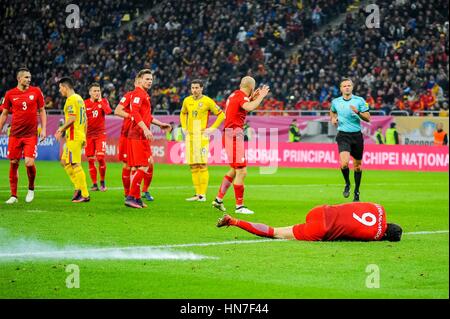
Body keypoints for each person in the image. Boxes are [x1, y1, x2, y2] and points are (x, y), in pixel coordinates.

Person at [212, 76, 270, 214]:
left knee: (234, 170)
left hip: (229, 134)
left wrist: (252, 97)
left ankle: (218, 200)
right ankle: (239, 206)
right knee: (242, 171)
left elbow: (244, 103)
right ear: (251, 87)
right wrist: (260, 96)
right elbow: (248, 107)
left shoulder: (234, 95)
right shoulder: (241, 97)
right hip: (233, 135)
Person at [217, 202, 402, 242]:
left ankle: (233, 219)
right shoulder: (375, 235)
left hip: (321, 210)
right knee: (275, 232)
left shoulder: (378, 207)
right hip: (322, 229)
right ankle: (233, 221)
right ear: (386, 235)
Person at [125, 69, 171, 208]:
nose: (149, 81)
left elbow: (147, 116)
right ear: (139, 80)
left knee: (142, 165)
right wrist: (145, 129)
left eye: (151, 79)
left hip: (138, 134)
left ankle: (137, 198)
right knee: (145, 165)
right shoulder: (139, 94)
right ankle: (131, 197)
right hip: (138, 135)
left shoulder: (143, 94)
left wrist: (160, 124)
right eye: (147, 79)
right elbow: (134, 112)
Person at [0, 67, 47, 204]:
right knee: (14, 163)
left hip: (30, 134)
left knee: (29, 162)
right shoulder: (10, 94)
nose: (29, 79)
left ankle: (31, 188)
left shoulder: (36, 91)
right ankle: (13, 195)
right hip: (15, 134)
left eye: (30, 77)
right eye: (26, 77)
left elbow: (42, 111)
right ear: (19, 79)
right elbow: (4, 114)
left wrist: (43, 129)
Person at [180, 79, 225, 202]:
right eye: (192, 88)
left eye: (196, 88)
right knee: (193, 165)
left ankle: (203, 195)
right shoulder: (187, 100)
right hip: (190, 136)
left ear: (201, 88)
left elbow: (221, 115)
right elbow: (183, 113)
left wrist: (211, 129)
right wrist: (183, 127)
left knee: (202, 164)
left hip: (201, 137)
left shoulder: (207, 101)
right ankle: (197, 194)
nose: (194, 90)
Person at [330, 78, 370, 202]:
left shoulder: (360, 101)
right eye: (344, 86)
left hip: (356, 136)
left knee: (357, 166)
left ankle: (357, 191)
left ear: (352, 87)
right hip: (343, 135)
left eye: (349, 85)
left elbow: (368, 118)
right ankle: (347, 183)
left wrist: (357, 112)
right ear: (341, 89)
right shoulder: (336, 102)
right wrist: (333, 119)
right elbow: (332, 111)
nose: (347, 87)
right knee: (344, 163)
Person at [54, 77, 90, 203]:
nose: (60, 91)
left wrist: (60, 130)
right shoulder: (80, 99)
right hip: (78, 135)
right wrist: (84, 135)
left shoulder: (71, 100)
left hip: (74, 136)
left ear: (65, 87)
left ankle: (84, 194)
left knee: (75, 164)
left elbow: (72, 119)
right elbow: (85, 119)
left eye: (60, 88)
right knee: (64, 161)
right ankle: (78, 188)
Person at [84, 82, 112, 191]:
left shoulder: (103, 101)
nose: (97, 93)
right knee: (91, 159)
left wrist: (100, 101)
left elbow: (109, 112)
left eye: (98, 91)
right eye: (94, 91)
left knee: (100, 158)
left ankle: (102, 182)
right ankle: (94, 184)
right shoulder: (85, 103)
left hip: (100, 134)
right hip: (88, 135)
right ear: (90, 92)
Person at [114, 78, 137, 199]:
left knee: (142, 164)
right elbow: (117, 111)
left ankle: (136, 193)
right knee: (128, 165)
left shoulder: (145, 97)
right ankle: (127, 193)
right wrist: (131, 116)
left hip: (138, 135)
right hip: (127, 135)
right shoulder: (129, 96)